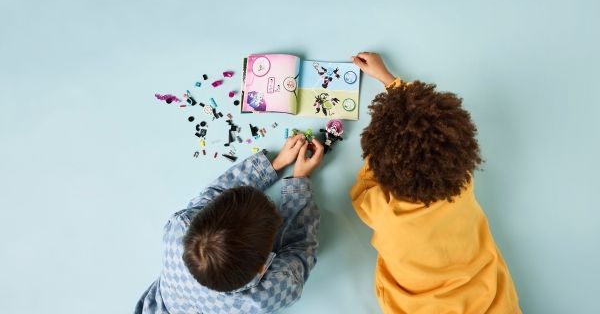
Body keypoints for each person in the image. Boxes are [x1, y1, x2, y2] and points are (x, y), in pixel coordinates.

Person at [350, 52, 521, 314]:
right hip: (491, 301)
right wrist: (391, 83)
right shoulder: (460, 180)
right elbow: (431, 129)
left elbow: (364, 186)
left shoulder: (383, 209)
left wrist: (391, 85)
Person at [135, 135, 325, 314]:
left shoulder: (180, 226)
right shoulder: (264, 296)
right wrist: (299, 181)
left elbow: (215, 192)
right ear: (262, 268)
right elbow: (300, 249)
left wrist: (275, 164)